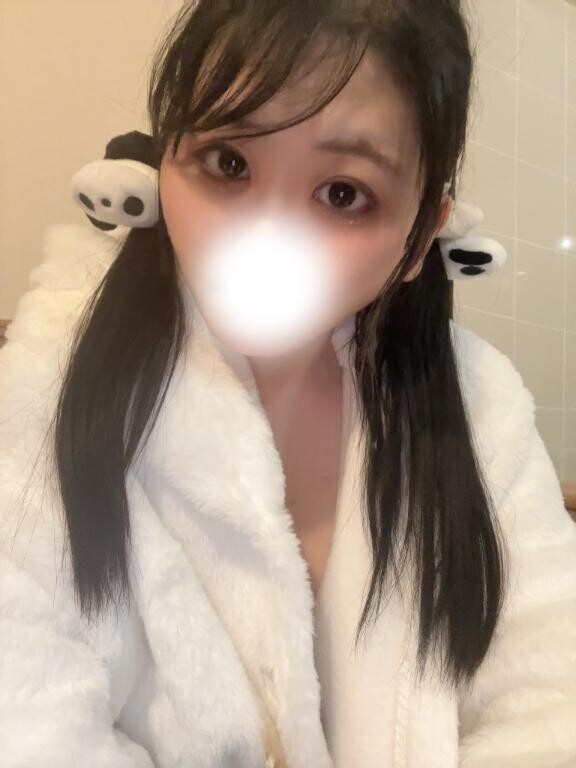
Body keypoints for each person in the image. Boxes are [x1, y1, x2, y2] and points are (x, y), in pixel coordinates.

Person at [1, 2, 576, 767]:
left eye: (342, 193)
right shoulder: (51, 375)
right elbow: (25, 716)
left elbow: (554, 696)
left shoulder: (484, 410)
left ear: (420, 237)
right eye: (227, 163)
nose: (261, 236)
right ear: (165, 160)